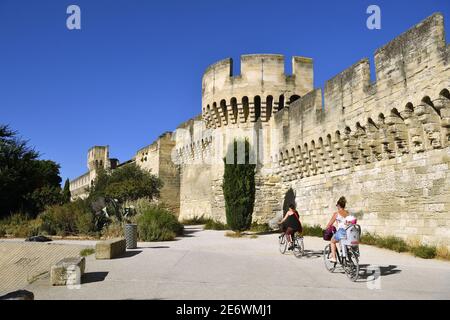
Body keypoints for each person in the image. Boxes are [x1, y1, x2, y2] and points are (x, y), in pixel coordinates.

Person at [326, 196, 349, 263]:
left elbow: (330, 224)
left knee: (332, 241)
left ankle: (334, 257)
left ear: (338, 205)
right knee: (343, 242)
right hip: (349, 232)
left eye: (337, 205)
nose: (337, 207)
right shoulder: (347, 213)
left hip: (342, 232)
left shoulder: (336, 214)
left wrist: (325, 229)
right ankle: (346, 256)